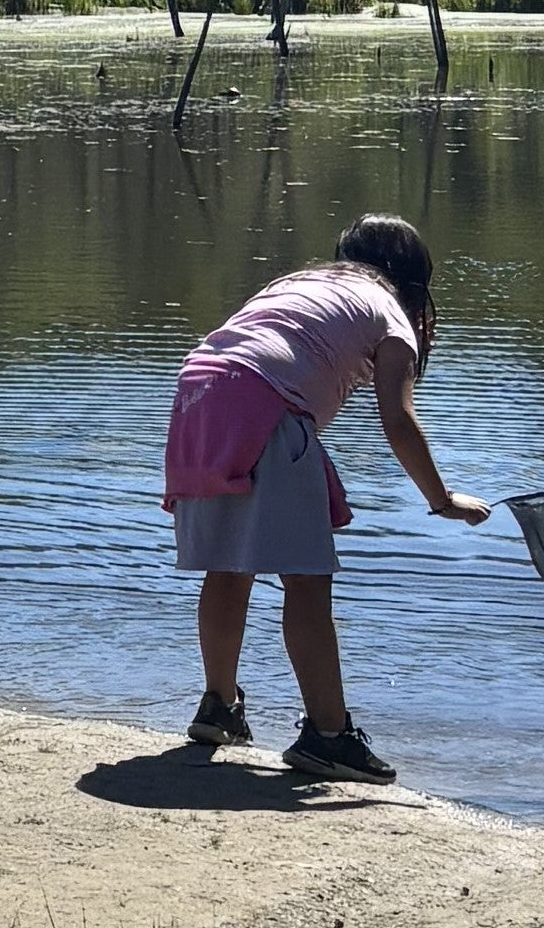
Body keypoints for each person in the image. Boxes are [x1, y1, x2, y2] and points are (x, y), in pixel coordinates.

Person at [163, 209, 493, 787]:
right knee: (307, 580)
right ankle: (329, 736)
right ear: (415, 282)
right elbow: (398, 419)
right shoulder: (390, 314)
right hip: (262, 399)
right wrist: (442, 500)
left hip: (199, 389)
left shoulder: (300, 282)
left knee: (227, 566)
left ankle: (219, 706)